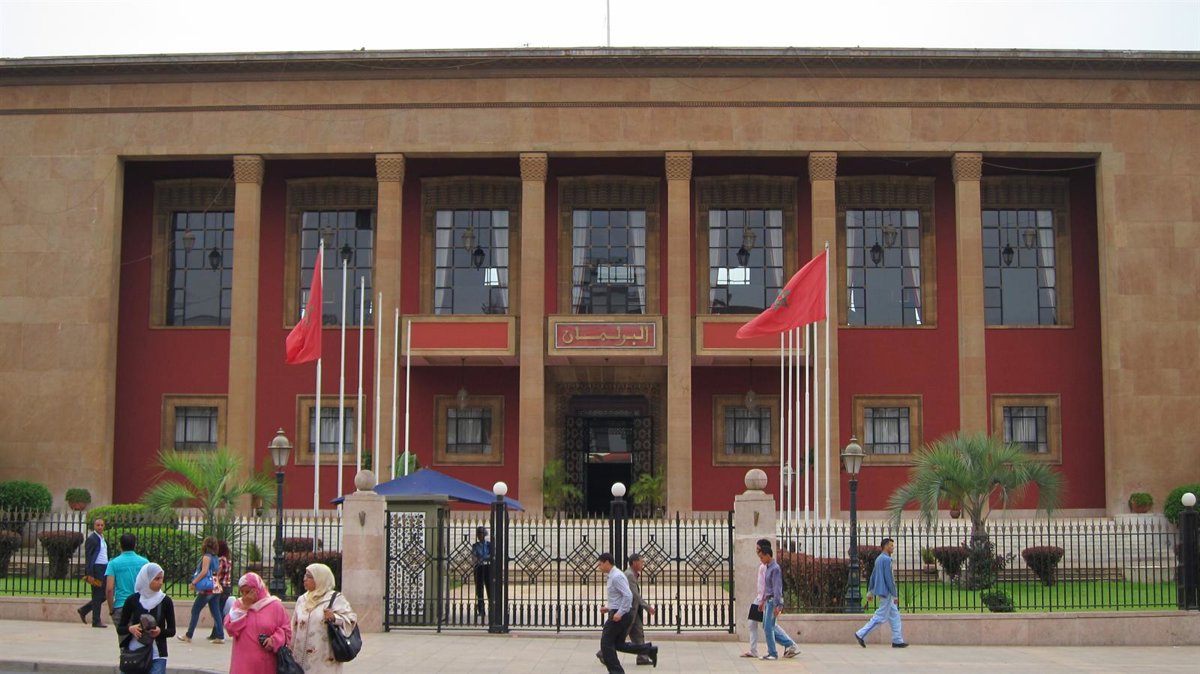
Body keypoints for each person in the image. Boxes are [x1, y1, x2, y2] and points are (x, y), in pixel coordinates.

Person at [290, 563, 358, 673]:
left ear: (320, 579)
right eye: (305, 575)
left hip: (324, 660)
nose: (304, 579)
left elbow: (351, 620)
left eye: (309, 576)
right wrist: (290, 649)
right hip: (300, 659)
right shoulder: (302, 600)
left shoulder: (335, 598)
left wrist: (334, 617)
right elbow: (294, 626)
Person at [597, 552, 657, 673]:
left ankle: (616, 671)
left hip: (621, 614)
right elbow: (619, 597)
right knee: (618, 644)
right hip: (622, 612)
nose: (599, 567)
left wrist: (619, 613)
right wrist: (609, 608)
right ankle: (648, 650)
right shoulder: (614, 575)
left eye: (600, 564)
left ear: (607, 562)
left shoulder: (617, 576)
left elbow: (628, 595)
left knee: (606, 644)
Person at [224, 572, 292, 674]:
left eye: (248, 591)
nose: (245, 595)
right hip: (243, 665)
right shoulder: (239, 605)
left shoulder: (275, 606)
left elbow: (286, 629)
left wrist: (274, 640)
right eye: (242, 592)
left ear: (257, 589)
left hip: (266, 664)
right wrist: (244, 608)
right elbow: (230, 628)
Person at [116, 562, 177, 674]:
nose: (160, 582)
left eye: (161, 578)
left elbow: (172, 630)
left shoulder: (165, 601)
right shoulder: (132, 600)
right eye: (156, 579)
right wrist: (131, 629)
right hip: (134, 654)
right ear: (146, 579)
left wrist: (159, 631)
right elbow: (120, 628)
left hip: (157, 655)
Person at [855, 537, 908, 648]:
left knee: (895, 616)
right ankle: (861, 634)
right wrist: (894, 594)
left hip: (882, 591)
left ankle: (897, 640)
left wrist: (871, 591)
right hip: (886, 592)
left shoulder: (879, 559)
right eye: (891, 545)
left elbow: (873, 575)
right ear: (885, 546)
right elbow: (890, 579)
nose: (893, 547)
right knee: (880, 617)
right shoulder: (886, 560)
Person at [179, 536, 225, 644]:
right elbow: (217, 571)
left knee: (195, 610)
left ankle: (189, 635)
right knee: (216, 612)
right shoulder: (215, 558)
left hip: (207, 589)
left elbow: (204, 572)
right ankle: (220, 635)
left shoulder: (206, 557)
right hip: (215, 586)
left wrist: (194, 582)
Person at [757, 543, 799, 660]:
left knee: (768, 627)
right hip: (768, 600)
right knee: (768, 626)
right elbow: (767, 587)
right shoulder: (768, 567)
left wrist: (778, 605)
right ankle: (789, 644)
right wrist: (762, 601)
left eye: (762, 557)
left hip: (773, 601)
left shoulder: (775, 569)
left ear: (767, 555)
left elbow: (777, 588)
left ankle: (773, 653)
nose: (761, 560)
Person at [106, 533, 149, 628]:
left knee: (124, 635)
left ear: (120, 545)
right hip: (140, 604)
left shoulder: (113, 563)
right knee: (140, 635)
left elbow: (109, 589)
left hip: (121, 604)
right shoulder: (144, 562)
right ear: (135, 545)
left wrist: (111, 609)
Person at [77, 517, 108, 628]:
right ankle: (96, 620)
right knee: (97, 595)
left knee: (105, 594)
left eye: (102, 525)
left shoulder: (102, 538)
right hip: (96, 569)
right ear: (94, 526)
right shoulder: (92, 539)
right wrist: (90, 573)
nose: (100, 527)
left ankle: (84, 610)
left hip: (104, 568)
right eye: (98, 525)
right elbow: (89, 557)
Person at [472, 526, 491, 620]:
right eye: (478, 534)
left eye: (481, 533)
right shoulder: (475, 545)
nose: (480, 535)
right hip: (478, 568)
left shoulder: (489, 544)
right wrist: (484, 557)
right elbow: (474, 556)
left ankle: (492, 609)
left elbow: (491, 555)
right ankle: (481, 610)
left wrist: (482, 557)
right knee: (479, 589)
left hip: (488, 567)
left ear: (485, 534)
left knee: (490, 588)